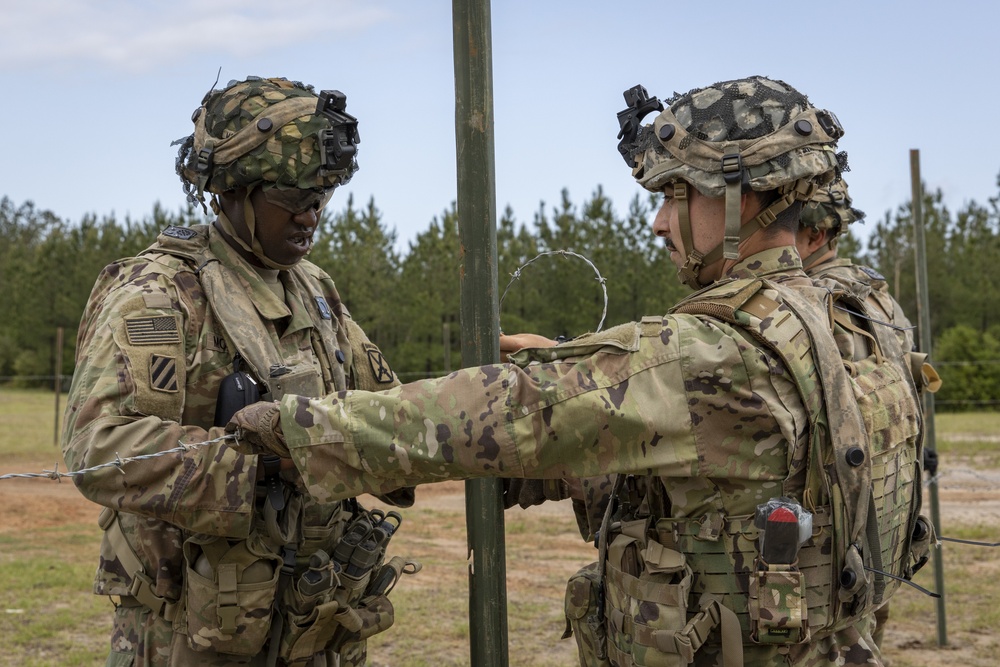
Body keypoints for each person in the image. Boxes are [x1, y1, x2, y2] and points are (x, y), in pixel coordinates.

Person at [227, 76, 931, 666]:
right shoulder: (861, 312)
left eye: (674, 195)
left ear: (739, 198)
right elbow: (741, 477)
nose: (658, 222)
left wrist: (297, 427)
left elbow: (502, 410)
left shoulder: (719, 352)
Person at [61, 76, 415, 667]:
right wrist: (268, 459)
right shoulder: (161, 294)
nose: (311, 217)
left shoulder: (314, 288)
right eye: (292, 199)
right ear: (231, 191)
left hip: (309, 620)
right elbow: (100, 449)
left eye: (320, 198)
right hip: (190, 633)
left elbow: (388, 409)